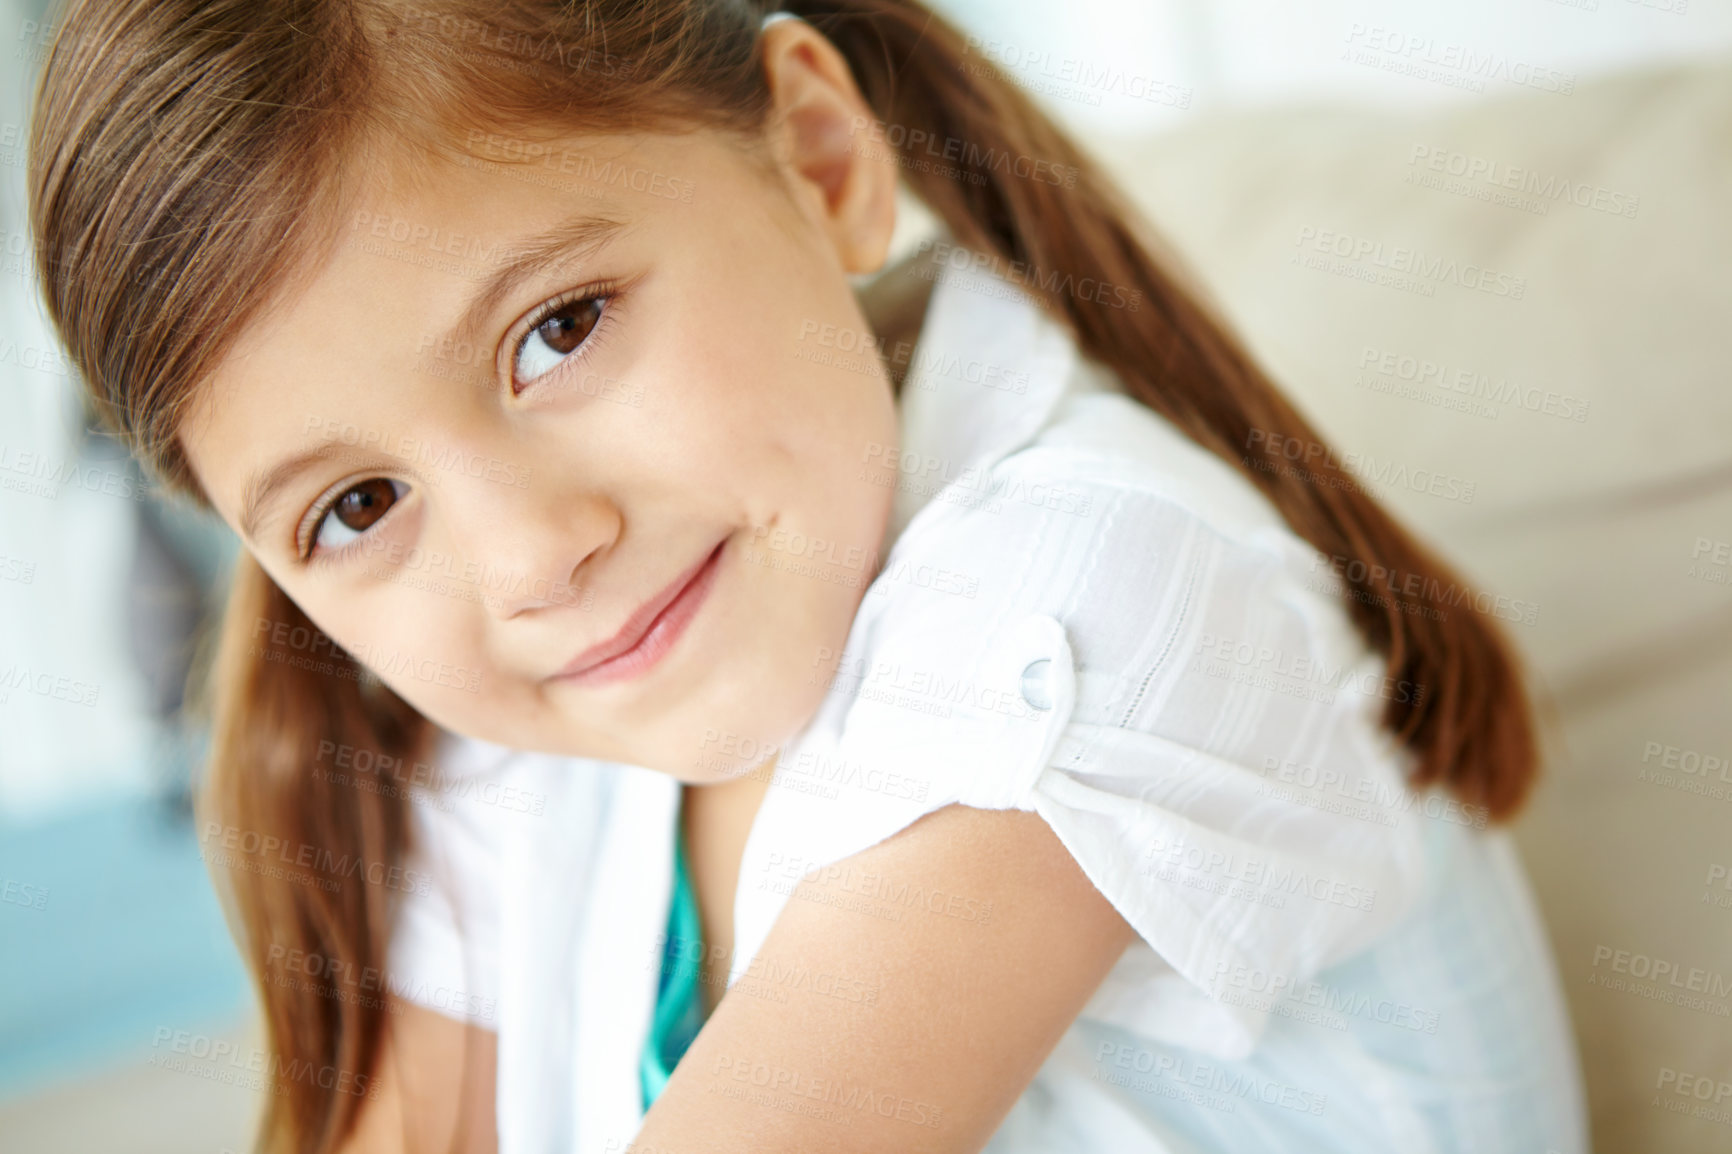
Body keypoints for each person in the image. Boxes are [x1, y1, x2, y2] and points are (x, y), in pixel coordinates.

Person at [26, 1, 1588, 1151]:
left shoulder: (1088, 600)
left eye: (558, 329)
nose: (528, 553)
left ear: (823, 161)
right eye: (360, 504)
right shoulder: (510, 735)